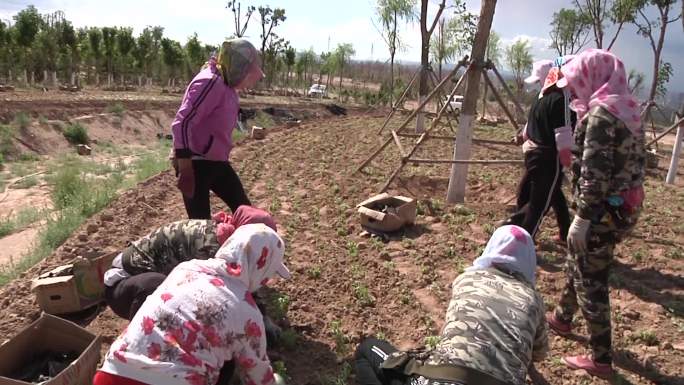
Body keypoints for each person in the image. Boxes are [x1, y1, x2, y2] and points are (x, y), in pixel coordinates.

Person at [546, 49, 645, 379]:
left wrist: (584, 217)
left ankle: (601, 359)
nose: (573, 90)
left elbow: (594, 174)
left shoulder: (602, 116)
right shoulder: (627, 109)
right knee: (579, 261)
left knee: (591, 280)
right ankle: (562, 316)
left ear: (593, 77)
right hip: (619, 208)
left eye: (576, 82)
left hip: (600, 212)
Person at [93, 224, 290, 385]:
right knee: (225, 359)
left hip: (111, 373)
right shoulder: (248, 314)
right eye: (269, 274)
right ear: (261, 269)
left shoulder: (186, 268)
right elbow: (258, 378)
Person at [355, 225, 548, 385]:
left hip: (445, 380)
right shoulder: (534, 300)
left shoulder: (468, 279)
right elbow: (538, 353)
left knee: (368, 349)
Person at [104, 205, 276, 320]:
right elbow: (229, 293)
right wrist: (258, 320)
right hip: (125, 289)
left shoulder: (229, 237)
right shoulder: (213, 248)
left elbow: (245, 279)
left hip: (137, 285)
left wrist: (261, 314)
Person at [172, 38, 264, 219]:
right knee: (201, 227)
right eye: (248, 73)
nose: (249, 81)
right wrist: (185, 168)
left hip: (216, 161)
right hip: (195, 164)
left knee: (246, 210)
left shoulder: (227, 85)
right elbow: (182, 123)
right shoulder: (210, 82)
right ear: (239, 67)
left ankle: (249, 246)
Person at [505, 58, 574, 244]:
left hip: (533, 155)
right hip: (548, 157)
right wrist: (567, 160)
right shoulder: (561, 99)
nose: (538, 84)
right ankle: (518, 236)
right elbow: (563, 134)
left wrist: (521, 138)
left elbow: (529, 126)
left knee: (549, 192)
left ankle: (564, 231)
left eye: (538, 80)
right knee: (539, 204)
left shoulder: (541, 97)